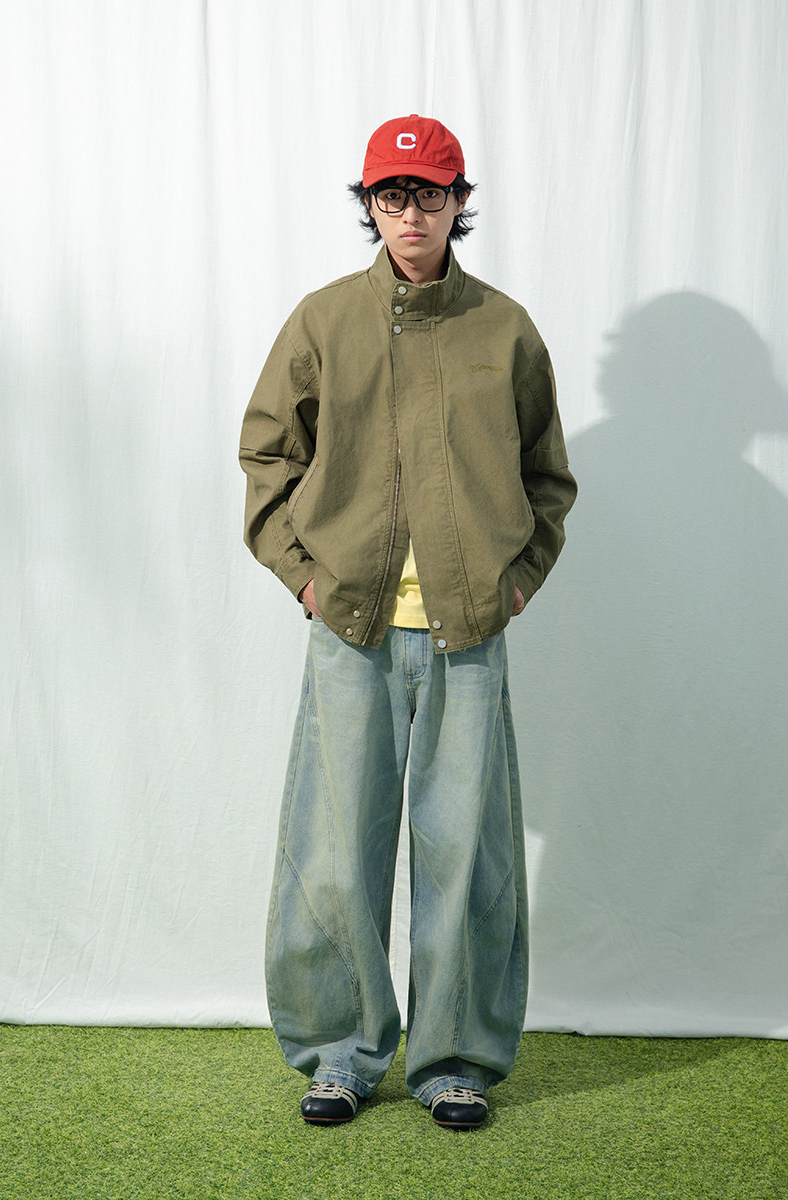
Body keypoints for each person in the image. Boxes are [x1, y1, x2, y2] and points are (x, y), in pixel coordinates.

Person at [238, 114, 576, 1131]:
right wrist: (306, 579)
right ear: (370, 205)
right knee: (336, 851)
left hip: (468, 633)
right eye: (392, 195)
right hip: (351, 626)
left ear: (459, 202)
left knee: (466, 852)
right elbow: (268, 458)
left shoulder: (504, 330)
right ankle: (339, 1054)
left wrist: (515, 583)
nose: (411, 213)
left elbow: (547, 479)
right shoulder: (323, 322)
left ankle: (454, 1060)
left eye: (430, 194)